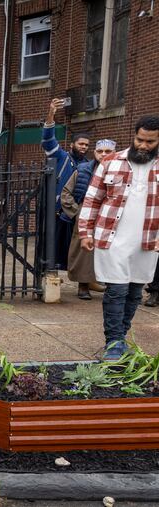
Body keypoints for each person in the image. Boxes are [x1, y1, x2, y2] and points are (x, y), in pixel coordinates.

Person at [79, 116, 159, 360]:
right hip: (111, 238)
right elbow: (92, 198)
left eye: (150, 142)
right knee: (116, 290)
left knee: (135, 292)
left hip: (147, 241)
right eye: (139, 139)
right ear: (133, 136)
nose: (143, 146)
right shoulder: (111, 162)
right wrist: (85, 231)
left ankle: (120, 336)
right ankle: (113, 341)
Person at [61, 139, 116, 300]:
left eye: (108, 151)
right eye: (100, 151)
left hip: (111, 213)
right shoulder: (83, 169)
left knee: (110, 249)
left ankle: (109, 285)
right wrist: (78, 212)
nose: (104, 154)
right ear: (95, 152)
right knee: (83, 250)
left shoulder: (121, 170)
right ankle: (83, 285)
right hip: (87, 212)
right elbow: (66, 193)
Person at [42, 98, 91, 271]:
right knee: (52, 250)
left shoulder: (88, 165)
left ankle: (81, 280)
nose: (84, 147)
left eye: (86, 144)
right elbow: (48, 140)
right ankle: (48, 276)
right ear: (72, 145)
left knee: (75, 249)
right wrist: (51, 113)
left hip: (77, 213)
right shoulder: (62, 157)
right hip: (57, 211)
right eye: (80, 144)